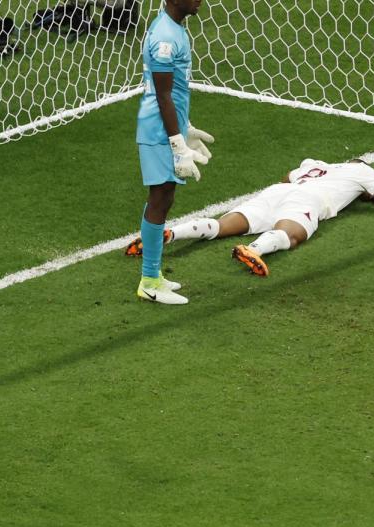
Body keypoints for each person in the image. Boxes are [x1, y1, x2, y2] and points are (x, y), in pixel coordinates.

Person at [165, 158, 374, 275]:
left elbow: (287, 177)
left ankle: (172, 233)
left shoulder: (315, 164)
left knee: (222, 225)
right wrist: (370, 195)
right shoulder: (363, 171)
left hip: (278, 191)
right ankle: (254, 250)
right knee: (290, 234)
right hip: (308, 199)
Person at [134, 0, 213, 305]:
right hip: (158, 131)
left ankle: (153, 275)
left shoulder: (175, 28)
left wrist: (185, 126)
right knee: (160, 197)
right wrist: (177, 144)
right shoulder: (165, 37)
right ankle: (149, 281)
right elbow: (163, 94)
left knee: (165, 197)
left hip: (166, 127)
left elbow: (175, 90)